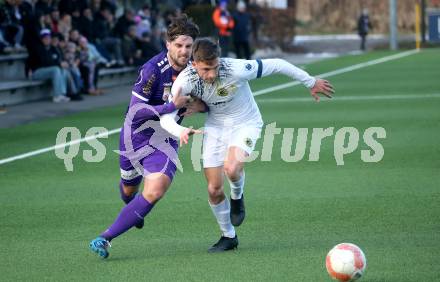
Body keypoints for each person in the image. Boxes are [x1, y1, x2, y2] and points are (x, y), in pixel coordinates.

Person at [160, 38, 334, 252]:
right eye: (206, 69)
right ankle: (228, 236)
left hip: (246, 122)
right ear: (194, 64)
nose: (212, 74)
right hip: (215, 127)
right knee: (214, 189)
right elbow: (165, 117)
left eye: (215, 67)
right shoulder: (185, 81)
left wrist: (310, 82)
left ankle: (237, 195)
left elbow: (278, 64)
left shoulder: (237, 68)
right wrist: (180, 130)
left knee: (232, 168)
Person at [89, 14, 205, 259]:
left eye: (188, 46)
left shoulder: (197, 69)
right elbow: (135, 111)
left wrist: (201, 106)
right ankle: (133, 209)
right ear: (168, 45)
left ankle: (105, 238)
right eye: (179, 46)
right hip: (134, 137)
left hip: (165, 140)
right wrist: (171, 106)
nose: (184, 51)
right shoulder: (153, 70)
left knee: (155, 189)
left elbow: (208, 98)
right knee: (129, 191)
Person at [27, 28, 71, 103]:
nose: (47, 40)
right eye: (45, 38)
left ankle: (62, 94)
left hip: (47, 71)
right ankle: (56, 96)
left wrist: (63, 63)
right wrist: (59, 64)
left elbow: (57, 59)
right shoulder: (38, 48)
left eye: (48, 38)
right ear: (42, 39)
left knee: (62, 70)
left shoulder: (52, 48)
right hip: (36, 72)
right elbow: (45, 62)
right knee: (56, 69)